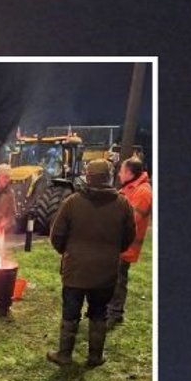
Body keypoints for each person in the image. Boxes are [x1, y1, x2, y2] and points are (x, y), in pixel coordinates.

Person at [46, 158, 135, 368]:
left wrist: (67, 252)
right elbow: (129, 236)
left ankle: (65, 355)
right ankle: (95, 357)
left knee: (70, 312)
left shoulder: (72, 202)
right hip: (105, 273)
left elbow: (56, 235)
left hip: (75, 270)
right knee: (99, 313)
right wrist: (112, 252)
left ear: (88, 177)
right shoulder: (122, 204)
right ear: (108, 177)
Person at [109, 156, 152, 327]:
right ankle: (112, 311)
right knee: (112, 279)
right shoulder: (130, 188)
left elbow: (129, 220)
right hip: (118, 245)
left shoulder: (142, 192)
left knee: (118, 281)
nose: (119, 174)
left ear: (129, 172)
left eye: (121, 170)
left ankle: (114, 313)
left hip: (125, 247)